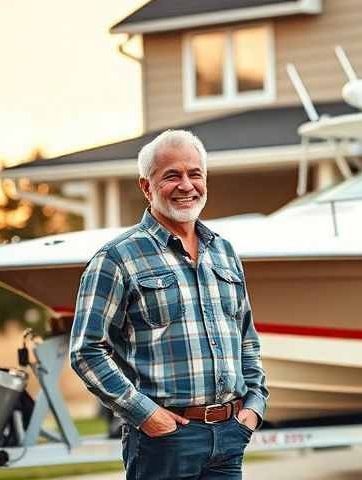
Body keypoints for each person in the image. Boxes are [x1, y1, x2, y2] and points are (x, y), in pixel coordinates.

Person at [70, 129, 268, 479]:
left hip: (229, 435)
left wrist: (253, 406)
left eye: (195, 174)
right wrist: (146, 414)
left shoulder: (224, 252)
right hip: (165, 440)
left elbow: (246, 339)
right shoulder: (117, 258)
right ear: (146, 187)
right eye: (172, 175)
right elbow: (86, 351)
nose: (186, 185)